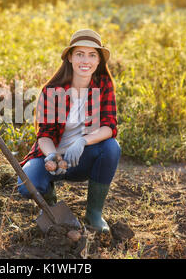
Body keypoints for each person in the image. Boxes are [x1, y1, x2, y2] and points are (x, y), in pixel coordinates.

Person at [18, 29, 121, 233]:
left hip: (82, 158)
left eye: (92, 55)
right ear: (70, 58)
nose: (86, 60)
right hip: (52, 158)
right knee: (27, 187)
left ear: (99, 60)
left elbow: (109, 126)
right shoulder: (52, 91)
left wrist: (82, 142)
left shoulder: (104, 85)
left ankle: (94, 214)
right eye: (80, 54)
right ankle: (50, 202)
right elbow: (44, 135)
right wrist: (52, 156)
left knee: (111, 148)